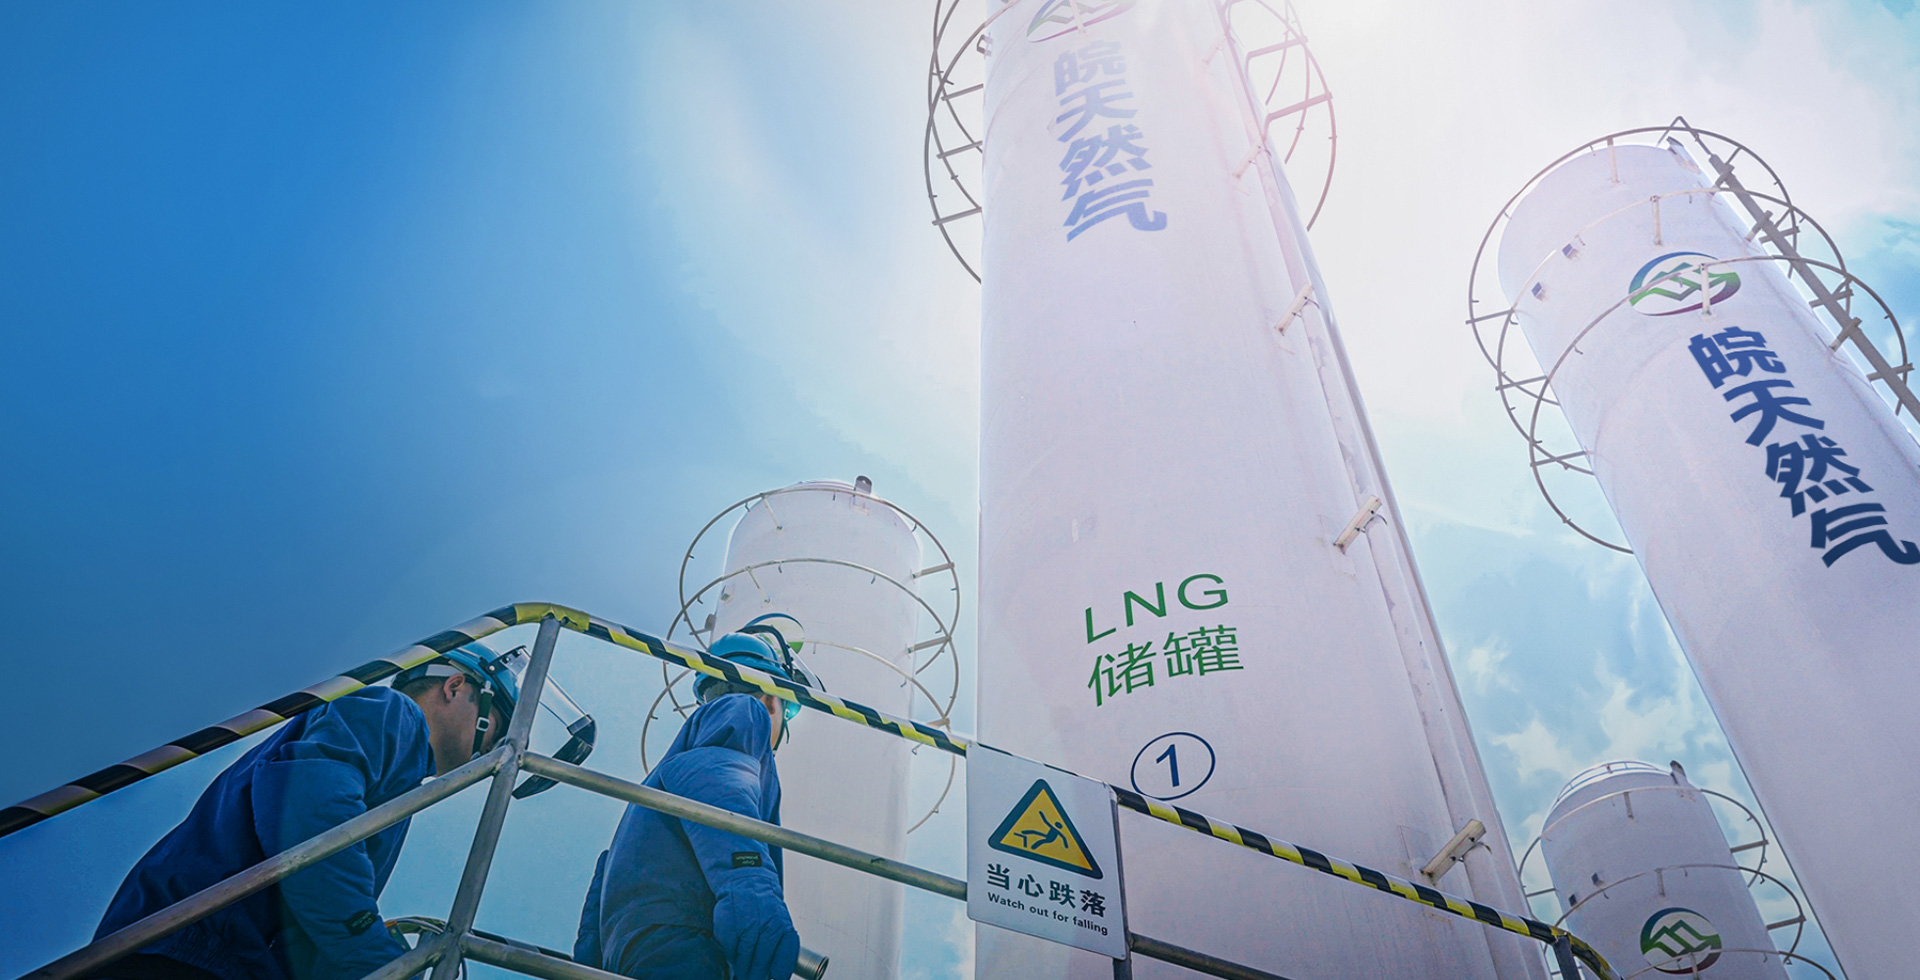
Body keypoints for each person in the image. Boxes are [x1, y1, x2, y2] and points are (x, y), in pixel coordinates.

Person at [90, 642, 522, 980]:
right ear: (455, 686)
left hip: (199, 953)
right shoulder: (395, 715)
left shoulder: (396, 765)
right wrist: (374, 955)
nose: (490, 750)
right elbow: (311, 823)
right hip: (193, 957)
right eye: (496, 729)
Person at [574, 615, 812, 980]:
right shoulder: (746, 710)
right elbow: (718, 780)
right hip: (688, 941)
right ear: (770, 698)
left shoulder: (647, 794)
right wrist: (750, 883)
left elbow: (601, 885)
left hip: (624, 950)